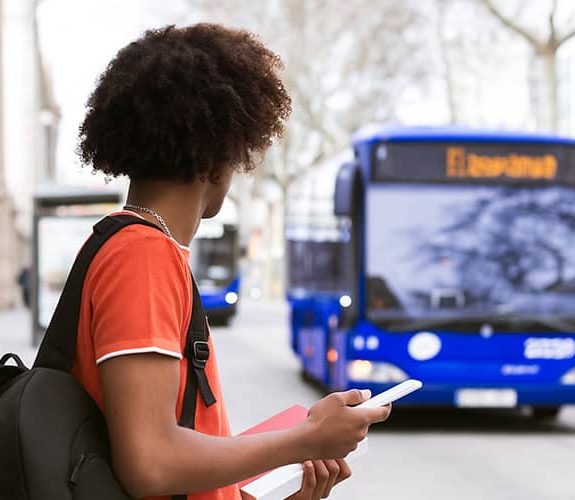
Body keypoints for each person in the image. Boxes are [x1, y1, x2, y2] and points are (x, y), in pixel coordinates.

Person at [72, 24, 390, 500]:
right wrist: (304, 439)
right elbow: (151, 463)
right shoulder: (142, 254)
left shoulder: (136, 246)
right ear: (218, 151)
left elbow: (170, 458)